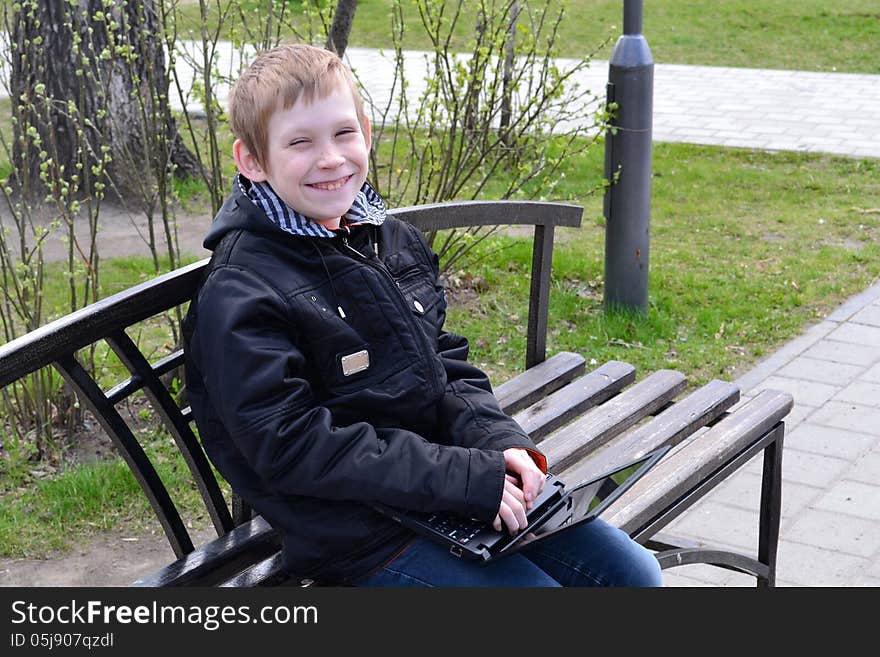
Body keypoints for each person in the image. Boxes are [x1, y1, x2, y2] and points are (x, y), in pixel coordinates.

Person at [182, 43, 662, 587]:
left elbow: (443, 363)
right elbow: (292, 447)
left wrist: (497, 443)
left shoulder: (386, 236)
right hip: (355, 533)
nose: (332, 158)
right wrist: (463, 479)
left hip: (442, 490)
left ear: (366, 130)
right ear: (252, 161)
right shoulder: (241, 292)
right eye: (300, 142)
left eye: (344, 133)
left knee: (632, 574)